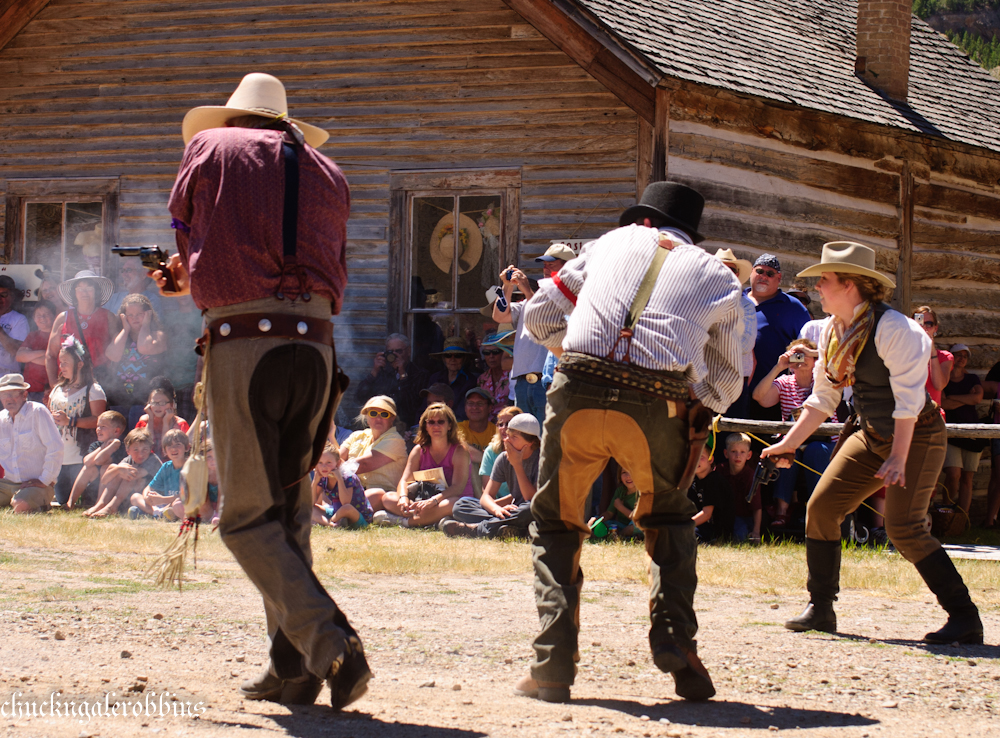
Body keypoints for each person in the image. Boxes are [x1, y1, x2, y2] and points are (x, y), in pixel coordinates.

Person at [157, 72, 369, 710]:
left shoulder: (213, 149)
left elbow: (188, 233)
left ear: (232, 117)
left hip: (246, 341)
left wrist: (183, 276)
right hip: (316, 347)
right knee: (289, 512)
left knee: (247, 520)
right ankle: (295, 669)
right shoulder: (329, 172)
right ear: (284, 123)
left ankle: (331, 642)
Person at [518, 181, 743, 703]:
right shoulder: (718, 276)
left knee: (556, 522)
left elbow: (538, 317)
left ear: (643, 222)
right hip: (657, 402)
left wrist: (578, 356)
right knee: (667, 516)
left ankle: (552, 667)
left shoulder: (607, 244)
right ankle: (675, 644)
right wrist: (696, 404)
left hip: (576, 388)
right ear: (692, 233)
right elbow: (730, 376)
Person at [762, 241, 982, 645]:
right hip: (870, 432)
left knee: (904, 528)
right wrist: (788, 444)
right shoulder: (831, 330)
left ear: (850, 285)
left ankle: (965, 617)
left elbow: (910, 402)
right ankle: (821, 609)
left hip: (916, 434)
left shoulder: (898, 330)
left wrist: (898, 457)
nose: (818, 287)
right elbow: (823, 399)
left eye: (825, 280)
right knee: (822, 509)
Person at [752, 338, 835, 526]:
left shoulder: (824, 380)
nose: (802, 359)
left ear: (815, 359)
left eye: (807, 355)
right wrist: (778, 367)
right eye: (797, 356)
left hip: (826, 440)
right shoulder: (785, 382)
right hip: (793, 442)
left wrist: (815, 354)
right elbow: (760, 397)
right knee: (789, 452)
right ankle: (782, 511)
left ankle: (818, 509)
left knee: (815, 450)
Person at [441, 412, 540, 539]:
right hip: (513, 512)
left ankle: (477, 529)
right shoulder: (503, 458)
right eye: (508, 435)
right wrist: (497, 510)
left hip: (530, 511)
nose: (506, 440)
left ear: (529, 443)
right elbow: (486, 496)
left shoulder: (541, 460)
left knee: (532, 508)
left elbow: (531, 498)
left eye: (514, 437)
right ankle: (514, 528)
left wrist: (517, 465)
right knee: (461, 505)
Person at [374, 403, 473, 528]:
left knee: (453, 504)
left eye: (441, 422)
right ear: (425, 426)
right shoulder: (418, 450)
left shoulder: (460, 451)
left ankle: (403, 522)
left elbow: (458, 487)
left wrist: (433, 501)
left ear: (450, 426)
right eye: (431, 422)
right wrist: (403, 498)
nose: (436, 426)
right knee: (388, 498)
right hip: (424, 500)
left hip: (449, 500)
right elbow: (405, 480)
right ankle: (435, 521)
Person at [744, 254, 811, 421]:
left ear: (779, 278)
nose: (764, 276)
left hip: (771, 395)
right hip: (730, 391)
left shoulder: (794, 308)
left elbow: (805, 346)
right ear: (751, 272)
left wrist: (793, 372)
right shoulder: (736, 300)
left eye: (770, 273)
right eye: (759, 271)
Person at [47, 337, 108, 506]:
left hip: (79, 458)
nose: (61, 366)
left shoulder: (93, 390)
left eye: (66, 362)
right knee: (61, 501)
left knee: (80, 504)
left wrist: (70, 421)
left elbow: (99, 421)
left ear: (79, 364)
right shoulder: (57, 389)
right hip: (58, 458)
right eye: (60, 362)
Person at [493, 265, 550, 425]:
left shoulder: (557, 301)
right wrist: (507, 285)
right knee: (524, 437)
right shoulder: (525, 304)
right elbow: (499, 315)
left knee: (543, 438)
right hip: (522, 383)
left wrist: (526, 289)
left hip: (545, 381)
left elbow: (542, 316)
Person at [0, 373, 63, 514]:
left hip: (37, 484)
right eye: (5, 395)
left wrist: (44, 480)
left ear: (24, 395)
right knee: (18, 503)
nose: (8, 399)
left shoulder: (38, 411)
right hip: (9, 483)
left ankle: (34, 505)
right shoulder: (1, 419)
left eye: (13, 394)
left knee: (20, 504)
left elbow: (55, 448)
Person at [46, 270, 119, 385]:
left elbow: (117, 353)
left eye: (89, 288)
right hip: (68, 384)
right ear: (74, 293)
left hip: (99, 383)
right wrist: (53, 385)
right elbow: (50, 355)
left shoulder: (108, 317)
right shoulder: (63, 318)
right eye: (79, 288)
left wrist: (111, 380)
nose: (84, 292)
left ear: (96, 291)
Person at [105, 293, 167, 427]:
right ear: (124, 317)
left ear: (148, 314)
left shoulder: (158, 335)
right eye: (130, 315)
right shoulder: (120, 336)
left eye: (139, 314)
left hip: (145, 400)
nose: (135, 318)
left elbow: (144, 348)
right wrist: (125, 329)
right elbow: (113, 356)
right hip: (118, 398)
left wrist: (146, 325)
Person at [339, 395, 407, 513]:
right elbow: (336, 458)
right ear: (366, 417)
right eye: (373, 414)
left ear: (392, 418)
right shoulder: (357, 435)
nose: (378, 418)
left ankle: (336, 512)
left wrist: (331, 469)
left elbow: (363, 465)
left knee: (375, 494)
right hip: (351, 490)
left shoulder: (396, 440)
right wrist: (330, 436)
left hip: (382, 494)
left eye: (384, 414)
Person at [941, 343, 985, 516]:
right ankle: (946, 512)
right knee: (953, 475)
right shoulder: (944, 378)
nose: (961, 358)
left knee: (968, 478)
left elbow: (978, 399)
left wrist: (954, 398)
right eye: (958, 355)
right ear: (950, 357)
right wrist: (967, 398)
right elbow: (944, 403)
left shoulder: (972, 379)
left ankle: (962, 519)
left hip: (971, 432)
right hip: (951, 432)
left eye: (965, 356)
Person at [713, 250, 756, 418]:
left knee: (731, 436)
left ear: (737, 275)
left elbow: (746, 344)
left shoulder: (746, 305)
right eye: (721, 268)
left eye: (732, 270)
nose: (726, 273)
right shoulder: (697, 299)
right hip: (701, 378)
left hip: (733, 381)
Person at [83, 427, 161, 518]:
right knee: (117, 469)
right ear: (128, 451)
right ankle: (102, 504)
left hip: (148, 499)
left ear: (150, 449)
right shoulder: (128, 460)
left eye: (145, 449)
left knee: (130, 472)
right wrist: (117, 469)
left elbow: (135, 474)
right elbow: (104, 480)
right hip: (129, 497)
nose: (140, 454)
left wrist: (120, 470)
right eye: (136, 450)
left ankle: (112, 506)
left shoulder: (153, 459)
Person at [355, 333, 428, 429]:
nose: (395, 355)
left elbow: (413, 406)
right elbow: (360, 397)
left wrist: (402, 374)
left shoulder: (419, 374)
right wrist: (374, 372)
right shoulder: (382, 372)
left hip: (407, 427)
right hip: (381, 426)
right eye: (390, 352)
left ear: (409, 351)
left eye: (399, 351)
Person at [66, 410, 128, 510]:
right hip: (95, 485)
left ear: (116, 431)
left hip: (112, 489)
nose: (98, 429)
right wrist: (103, 446)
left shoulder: (120, 447)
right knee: (88, 468)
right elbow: (87, 461)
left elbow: (99, 460)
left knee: (105, 467)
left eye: (103, 427)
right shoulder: (97, 445)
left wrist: (112, 446)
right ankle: (70, 502)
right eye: (98, 426)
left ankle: (100, 504)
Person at [128, 428, 190, 519]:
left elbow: (189, 495)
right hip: (163, 503)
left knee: (177, 502)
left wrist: (162, 499)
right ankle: (157, 513)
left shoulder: (190, 467)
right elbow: (149, 487)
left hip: (177, 503)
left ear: (187, 448)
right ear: (164, 451)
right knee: (135, 497)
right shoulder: (166, 467)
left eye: (178, 445)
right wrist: (147, 497)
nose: (173, 448)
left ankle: (148, 512)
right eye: (169, 446)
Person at [312, 443, 374, 529]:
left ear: (338, 463)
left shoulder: (347, 476)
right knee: (309, 508)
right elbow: (311, 502)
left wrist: (339, 479)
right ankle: (330, 524)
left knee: (346, 508)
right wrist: (315, 482)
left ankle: (331, 521)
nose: (324, 467)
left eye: (328, 462)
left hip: (357, 514)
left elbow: (345, 502)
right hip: (336, 512)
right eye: (320, 463)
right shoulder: (322, 477)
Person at [718, 433, 760, 542]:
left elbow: (757, 507)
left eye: (742, 452)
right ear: (726, 453)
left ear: (749, 455)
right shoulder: (719, 471)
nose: (738, 456)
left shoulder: (751, 476)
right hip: (721, 515)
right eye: (733, 452)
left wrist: (756, 532)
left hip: (743, 517)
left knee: (739, 536)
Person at [426, 338, 478, 421]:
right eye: (448, 355)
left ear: (464, 359)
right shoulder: (435, 378)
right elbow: (424, 407)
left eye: (458, 356)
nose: (452, 359)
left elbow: (464, 412)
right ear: (444, 359)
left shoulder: (471, 381)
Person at [16, 299, 57, 403]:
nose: (42, 318)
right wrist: (44, 353)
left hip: (49, 390)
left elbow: (53, 361)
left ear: (54, 316)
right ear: (34, 318)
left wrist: (30, 357)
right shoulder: (32, 335)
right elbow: (19, 356)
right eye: (38, 315)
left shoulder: (58, 335)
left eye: (46, 314)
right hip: (29, 389)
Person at [134, 380, 190, 453]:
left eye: (162, 403)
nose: (158, 406)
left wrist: (166, 422)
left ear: (171, 404)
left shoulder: (180, 424)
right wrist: (150, 419)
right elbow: (144, 450)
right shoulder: (144, 421)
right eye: (154, 403)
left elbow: (166, 452)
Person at [478, 405, 522, 496]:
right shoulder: (491, 451)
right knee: (462, 503)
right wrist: (496, 509)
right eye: (500, 424)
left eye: (508, 424)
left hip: (522, 503)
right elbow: (486, 492)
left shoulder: (528, 450)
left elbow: (524, 494)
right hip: (495, 505)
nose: (503, 428)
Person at [689, 444, 728, 543]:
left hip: (715, 529)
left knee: (687, 534)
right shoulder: (693, 480)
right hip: (699, 524)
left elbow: (707, 514)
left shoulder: (714, 480)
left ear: (710, 460)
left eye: (700, 457)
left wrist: (683, 525)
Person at [590, 467, 642, 540]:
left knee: (637, 525)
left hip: (635, 525)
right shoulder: (620, 491)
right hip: (621, 525)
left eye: (632, 472)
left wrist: (620, 507)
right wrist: (597, 520)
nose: (628, 476)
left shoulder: (642, 493)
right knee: (606, 524)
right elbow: (609, 513)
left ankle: (618, 536)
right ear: (619, 476)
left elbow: (636, 518)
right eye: (624, 473)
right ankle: (619, 535)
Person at [478, 332, 511, 422]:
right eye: (487, 353)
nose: (491, 356)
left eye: (495, 352)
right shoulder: (481, 379)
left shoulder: (512, 376)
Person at [0, 275, 29, 378]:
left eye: (3, 295)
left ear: (12, 297)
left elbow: (16, 352)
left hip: (8, 378)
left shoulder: (19, 320)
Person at [457, 388, 496, 464]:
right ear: (465, 408)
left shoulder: (497, 432)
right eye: (470, 403)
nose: (474, 407)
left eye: (480, 403)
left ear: (490, 408)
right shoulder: (457, 428)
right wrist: (485, 458)